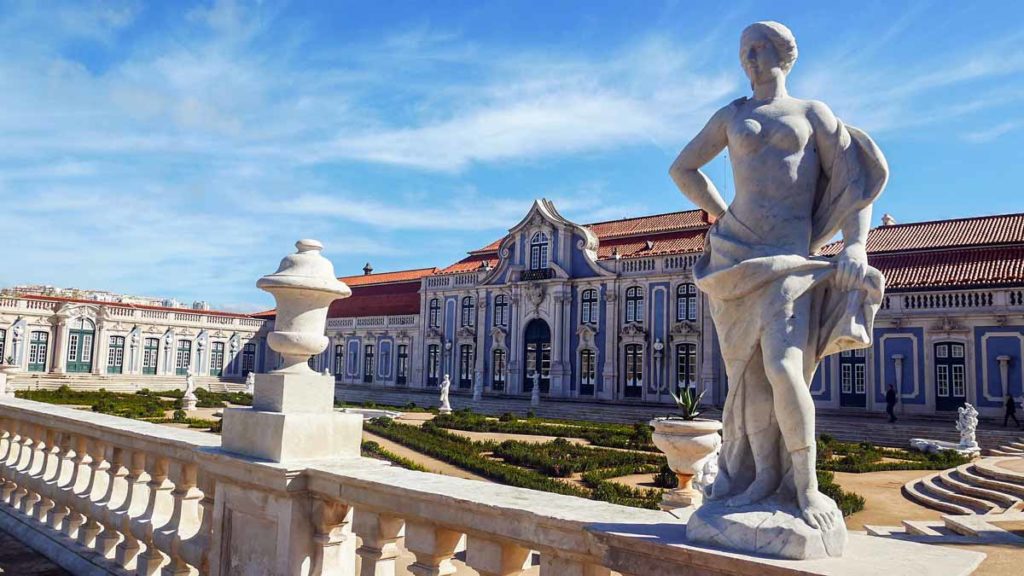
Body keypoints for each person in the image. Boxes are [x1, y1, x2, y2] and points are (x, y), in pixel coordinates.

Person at [669, 21, 887, 533]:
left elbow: (854, 185)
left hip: (790, 258)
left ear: (785, 55)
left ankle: (805, 484)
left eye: (760, 47)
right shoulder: (732, 115)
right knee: (747, 378)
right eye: (745, 50)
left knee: (784, 367)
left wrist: (856, 244)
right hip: (735, 255)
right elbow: (683, 169)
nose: (750, 57)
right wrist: (722, 215)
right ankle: (762, 477)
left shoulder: (812, 114)